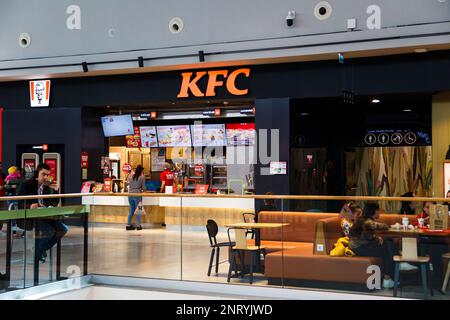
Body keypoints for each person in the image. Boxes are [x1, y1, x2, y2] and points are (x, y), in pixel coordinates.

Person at [19, 163, 67, 263]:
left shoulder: (46, 187)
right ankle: (39, 251)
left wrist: (55, 191)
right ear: (37, 173)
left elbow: (53, 203)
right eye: (43, 174)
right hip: (31, 217)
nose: (45, 177)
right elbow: (19, 203)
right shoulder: (26, 184)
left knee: (63, 229)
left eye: (47, 175)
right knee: (50, 231)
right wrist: (30, 206)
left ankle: (40, 249)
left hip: (45, 216)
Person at [349, 202, 397, 289]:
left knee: (387, 243)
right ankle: (390, 275)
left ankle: (389, 276)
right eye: (379, 210)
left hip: (357, 247)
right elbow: (374, 230)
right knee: (388, 248)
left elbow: (366, 234)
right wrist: (376, 237)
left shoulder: (362, 219)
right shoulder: (368, 222)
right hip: (360, 248)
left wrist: (376, 237)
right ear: (375, 211)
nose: (379, 213)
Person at [126, 165, 146, 230]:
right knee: (138, 210)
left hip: (130, 195)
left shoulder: (131, 176)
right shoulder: (142, 177)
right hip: (137, 194)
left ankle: (128, 225)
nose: (143, 172)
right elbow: (144, 188)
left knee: (132, 210)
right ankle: (138, 226)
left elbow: (128, 184)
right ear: (141, 171)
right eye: (143, 170)